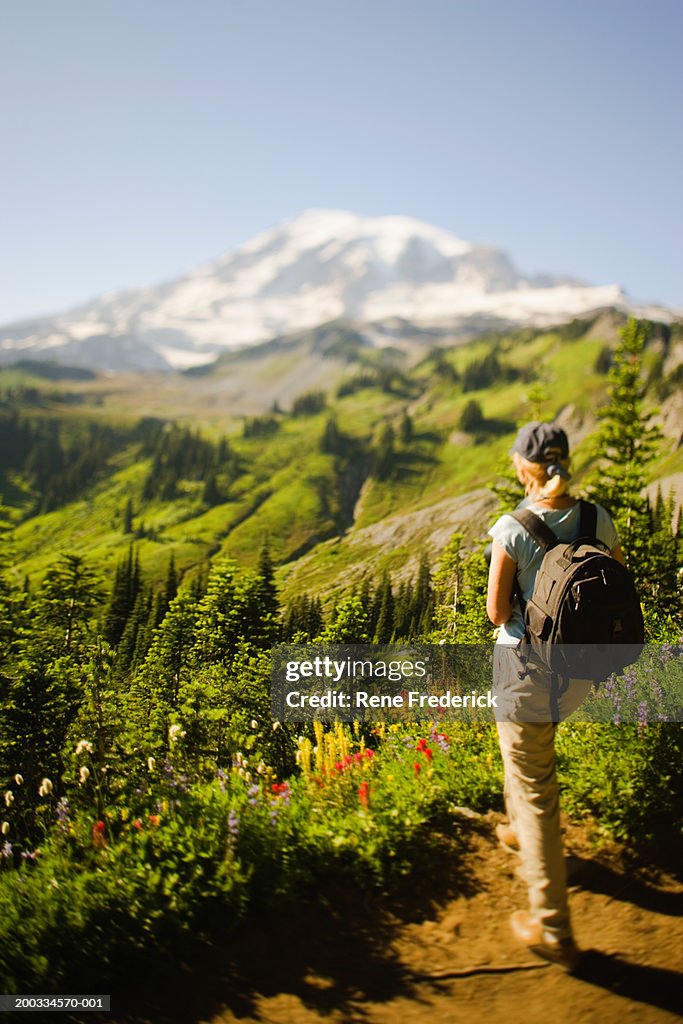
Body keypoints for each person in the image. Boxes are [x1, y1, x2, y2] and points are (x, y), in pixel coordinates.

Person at [486, 422, 623, 971]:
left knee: (534, 780)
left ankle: (551, 926)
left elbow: (498, 613)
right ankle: (519, 832)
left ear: (524, 467)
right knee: (525, 759)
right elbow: (616, 583)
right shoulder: (598, 518)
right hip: (579, 674)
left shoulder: (512, 527)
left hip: (524, 675)